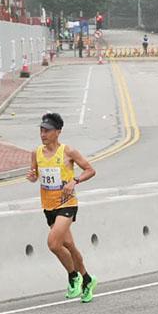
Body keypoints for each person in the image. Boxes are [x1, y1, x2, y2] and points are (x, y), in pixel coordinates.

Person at [26, 112, 98, 302]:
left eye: (47, 130)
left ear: (58, 132)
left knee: (53, 244)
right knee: (69, 246)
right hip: (48, 206)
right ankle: (87, 280)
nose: (43, 134)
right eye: (41, 130)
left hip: (67, 204)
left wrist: (75, 181)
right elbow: (35, 175)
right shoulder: (36, 153)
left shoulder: (68, 152)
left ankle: (73, 276)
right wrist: (33, 177)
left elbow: (90, 170)